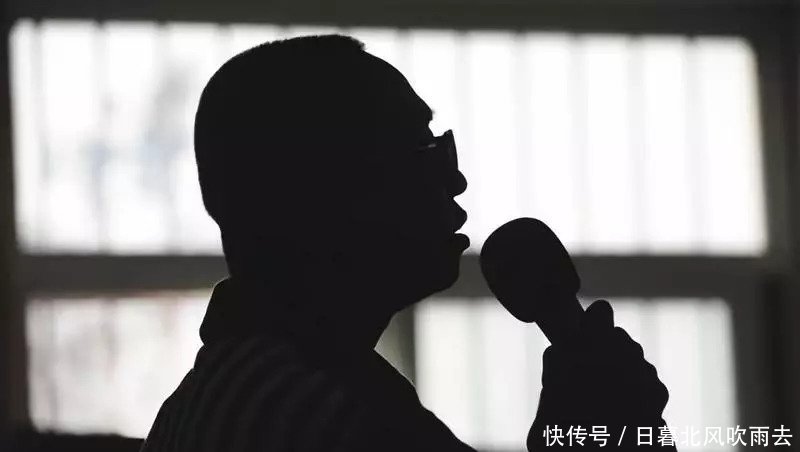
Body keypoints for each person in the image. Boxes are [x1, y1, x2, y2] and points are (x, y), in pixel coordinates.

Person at [140, 34, 674, 452]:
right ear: (324, 187)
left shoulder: (228, 392)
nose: (455, 179)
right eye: (422, 147)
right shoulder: (333, 422)